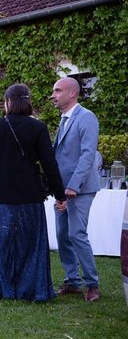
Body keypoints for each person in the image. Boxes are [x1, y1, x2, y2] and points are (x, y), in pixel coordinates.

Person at [0, 83, 66, 302]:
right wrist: (60, 195)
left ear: (9, 102)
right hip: (29, 195)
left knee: (5, 241)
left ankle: (4, 289)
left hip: (2, 195)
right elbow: (50, 165)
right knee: (32, 243)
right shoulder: (38, 128)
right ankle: (33, 289)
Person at [51, 76, 101, 302]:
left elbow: (87, 155)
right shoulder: (63, 120)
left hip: (80, 188)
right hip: (62, 189)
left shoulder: (87, 117)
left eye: (58, 91)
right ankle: (73, 281)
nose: (53, 95)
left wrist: (73, 185)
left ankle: (93, 284)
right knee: (62, 234)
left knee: (76, 234)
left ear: (72, 93)